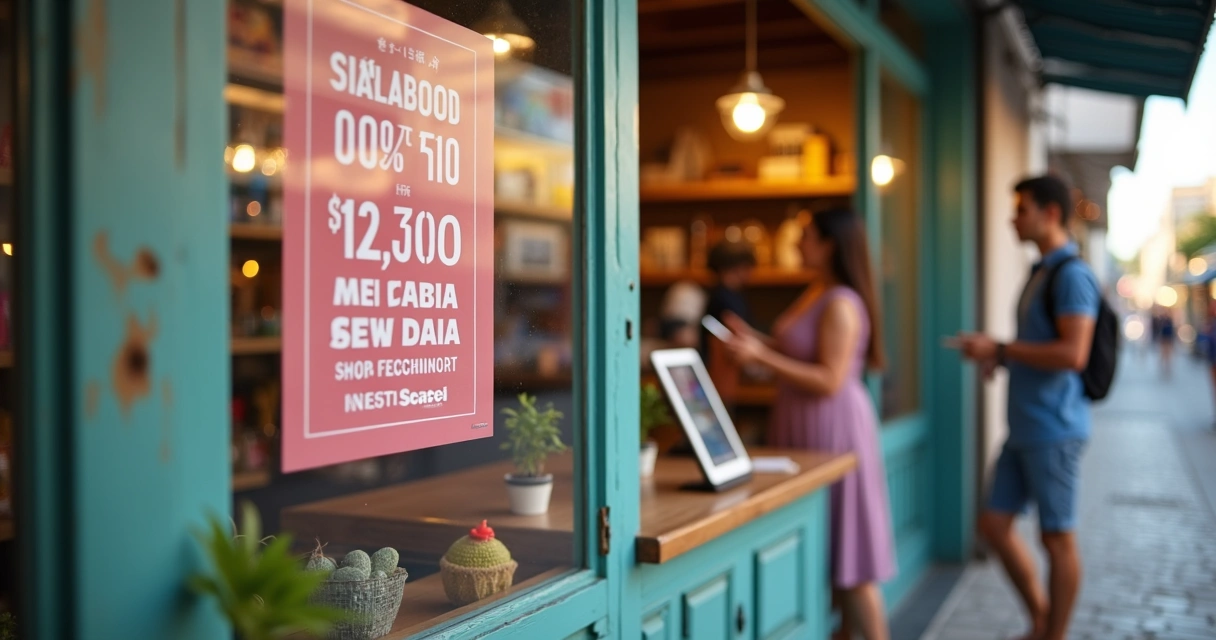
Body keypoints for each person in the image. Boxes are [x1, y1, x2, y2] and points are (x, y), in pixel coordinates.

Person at [720, 209, 895, 640]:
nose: (797, 244)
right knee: (830, 551)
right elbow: (795, 350)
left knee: (851, 562)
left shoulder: (840, 303)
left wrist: (761, 357)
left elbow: (830, 379)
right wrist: (755, 340)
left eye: (806, 237)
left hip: (832, 428)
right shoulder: (819, 291)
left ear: (829, 244)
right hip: (805, 424)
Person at [956, 175, 1100, 640]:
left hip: (1054, 427)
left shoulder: (1071, 274)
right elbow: (1038, 346)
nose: (1012, 218)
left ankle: (1052, 633)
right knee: (993, 524)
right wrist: (999, 354)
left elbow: (1073, 354)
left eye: (1021, 209)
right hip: (1024, 428)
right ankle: (1041, 620)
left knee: (1057, 539)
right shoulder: (1040, 271)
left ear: (1050, 213)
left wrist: (1003, 347)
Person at [702, 239, 757, 405]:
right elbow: (727, 332)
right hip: (721, 372)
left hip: (726, 374)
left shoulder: (729, 295)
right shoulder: (723, 298)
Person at [1156, 309, 1175, 379]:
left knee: (1168, 354)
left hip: (1168, 339)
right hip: (1164, 339)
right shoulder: (1162, 321)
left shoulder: (1170, 321)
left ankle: (1167, 367)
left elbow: (1172, 331)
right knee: (1163, 354)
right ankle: (1162, 366)